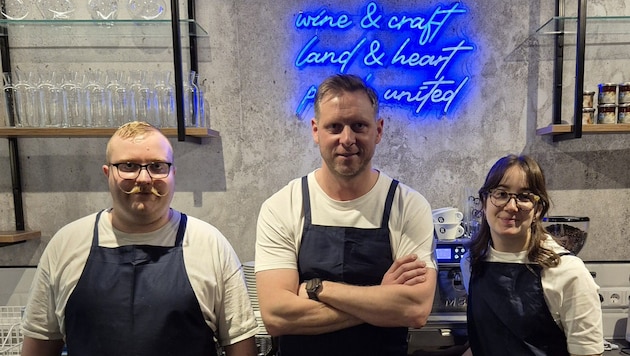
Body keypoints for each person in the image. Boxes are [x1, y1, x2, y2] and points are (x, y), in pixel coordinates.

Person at [21, 121, 258, 356]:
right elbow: (38, 347)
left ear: (173, 174)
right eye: (129, 165)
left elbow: (241, 348)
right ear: (108, 173)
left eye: (157, 166)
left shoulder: (210, 245)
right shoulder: (66, 245)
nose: (144, 178)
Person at [255, 74, 437, 356]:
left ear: (378, 130)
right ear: (316, 131)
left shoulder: (409, 206)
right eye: (335, 127)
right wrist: (381, 297)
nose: (347, 139)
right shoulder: (282, 205)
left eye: (359, 126)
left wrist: (317, 289)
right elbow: (277, 316)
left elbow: (415, 309)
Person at [460, 154, 604, 356]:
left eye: (524, 196)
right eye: (501, 193)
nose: (511, 206)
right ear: (484, 202)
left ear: (538, 209)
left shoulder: (569, 272)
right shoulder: (471, 263)